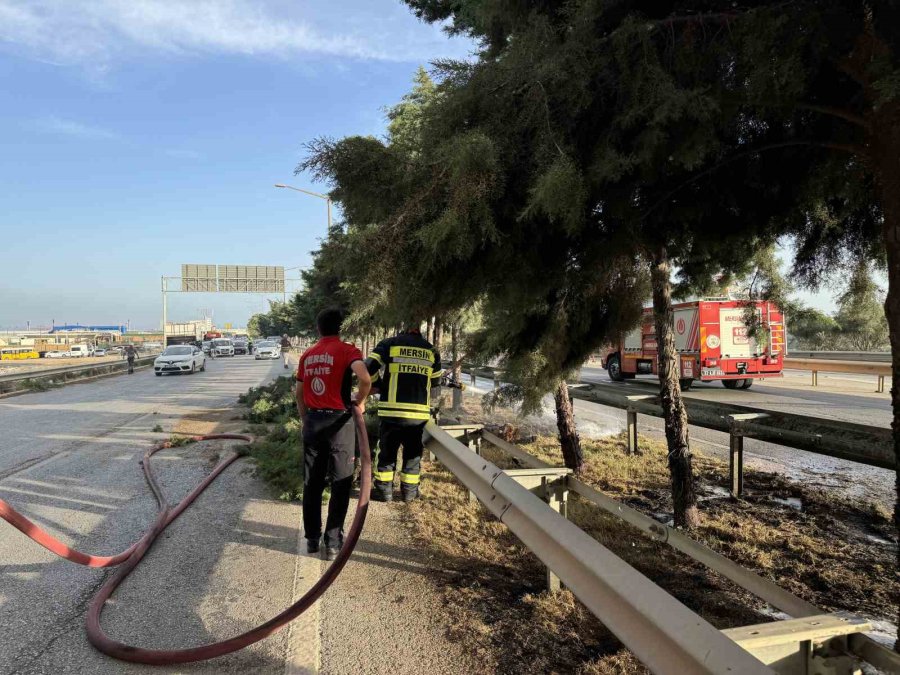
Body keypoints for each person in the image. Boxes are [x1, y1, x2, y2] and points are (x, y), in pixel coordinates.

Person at [296, 308, 371, 560]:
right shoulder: (348, 350)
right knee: (340, 482)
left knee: (312, 483)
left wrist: (306, 418)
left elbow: (299, 393)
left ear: (318, 329)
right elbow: (365, 378)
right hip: (340, 423)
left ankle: (312, 540)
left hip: (314, 422)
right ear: (342, 327)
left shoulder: (308, 354)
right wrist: (360, 401)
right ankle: (333, 543)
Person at [365, 325, 441, 503]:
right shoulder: (431, 350)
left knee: (387, 453)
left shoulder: (389, 344)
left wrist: (380, 384)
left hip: (391, 412)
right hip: (417, 415)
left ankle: (384, 493)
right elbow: (436, 382)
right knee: (413, 454)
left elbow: (368, 367)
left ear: (403, 331)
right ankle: (409, 493)